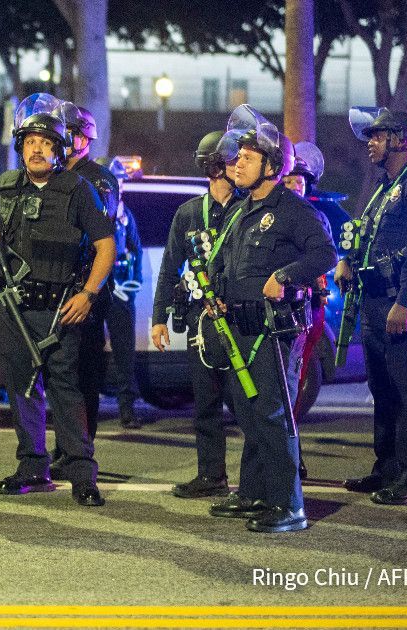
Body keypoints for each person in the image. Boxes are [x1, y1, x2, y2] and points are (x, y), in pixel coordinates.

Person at [0, 93, 115, 507]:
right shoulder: (4, 186)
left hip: (61, 307)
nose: (37, 149)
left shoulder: (79, 189)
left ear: (59, 149)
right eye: (30, 141)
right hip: (12, 307)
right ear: (20, 146)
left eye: (46, 143)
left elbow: (105, 246)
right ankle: (32, 465)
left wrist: (88, 294)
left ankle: (82, 474)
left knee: (66, 389)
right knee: (21, 386)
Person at [209, 105, 336, 532]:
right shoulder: (240, 210)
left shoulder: (293, 209)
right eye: (236, 156)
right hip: (239, 325)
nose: (236, 163)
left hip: (274, 327)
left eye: (246, 157)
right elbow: (230, 266)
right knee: (248, 412)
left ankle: (289, 505)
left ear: (271, 164)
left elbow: (324, 255)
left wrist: (284, 275)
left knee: (273, 412)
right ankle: (254, 493)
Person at [338, 107, 407, 505]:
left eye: (378, 137)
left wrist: (404, 301)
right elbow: (366, 232)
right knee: (382, 389)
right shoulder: (386, 184)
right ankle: (388, 469)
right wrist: (348, 258)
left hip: (401, 303)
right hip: (376, 300)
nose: (370, 143)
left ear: (400, 139)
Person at [150, 130, 242, 499]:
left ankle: (270, 471)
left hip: (238, 319)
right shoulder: (189, 213)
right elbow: (170, 267)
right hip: (199, 322)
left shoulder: (248, 208)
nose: (241, 165)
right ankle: (211, 475)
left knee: (249, 403)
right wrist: (159, 318)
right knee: (205, 402)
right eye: (235, 160)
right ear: (216, 166)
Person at [58, 102, 142, 440]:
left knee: (89, 368)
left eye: (71, 133)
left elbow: (99, 235)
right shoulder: (59, 175)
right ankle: (68, 445)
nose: (64, 139)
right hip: (66, 283)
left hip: (98, 285)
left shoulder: (99, 179)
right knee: (66, 373)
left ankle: (83, 444)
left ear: (85, 137)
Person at [282, 141, 332, 479]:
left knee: (295, 379)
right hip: (279, 304)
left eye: (299, 182)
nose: (294, 186)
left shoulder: (314, 217)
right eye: (289, 181)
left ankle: (291, 450)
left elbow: (324, 260)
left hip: (307, 306)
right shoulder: (271, 217)